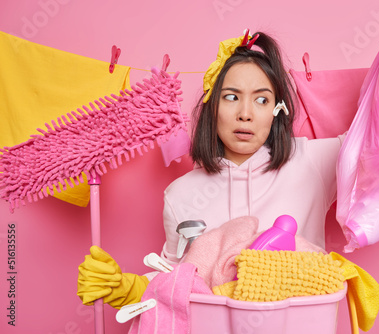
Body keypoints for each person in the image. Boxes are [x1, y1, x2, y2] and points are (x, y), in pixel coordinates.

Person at [77, 30, 345, 309]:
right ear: (212, 105)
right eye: (231, 97)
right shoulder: (180, 195)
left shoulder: (311, 162)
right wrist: (127, 288)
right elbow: (174, 280)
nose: (246, 113)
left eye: (262, 100)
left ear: (277, 110)